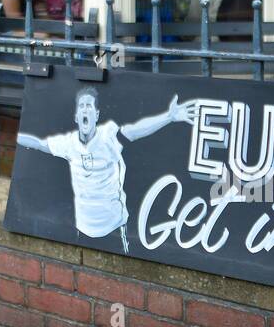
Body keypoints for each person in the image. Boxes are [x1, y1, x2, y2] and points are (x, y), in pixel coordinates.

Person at [17, 87, 198, 253]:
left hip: (114, 228)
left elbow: (134, 131)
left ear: (96, 114)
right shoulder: (68, 143)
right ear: (76, 116)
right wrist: (14, 136)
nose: (85, 109)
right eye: (82, 106)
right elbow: (39, 144)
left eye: (89, 106)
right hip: (83, 229)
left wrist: (169, 116)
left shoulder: (108, 137)